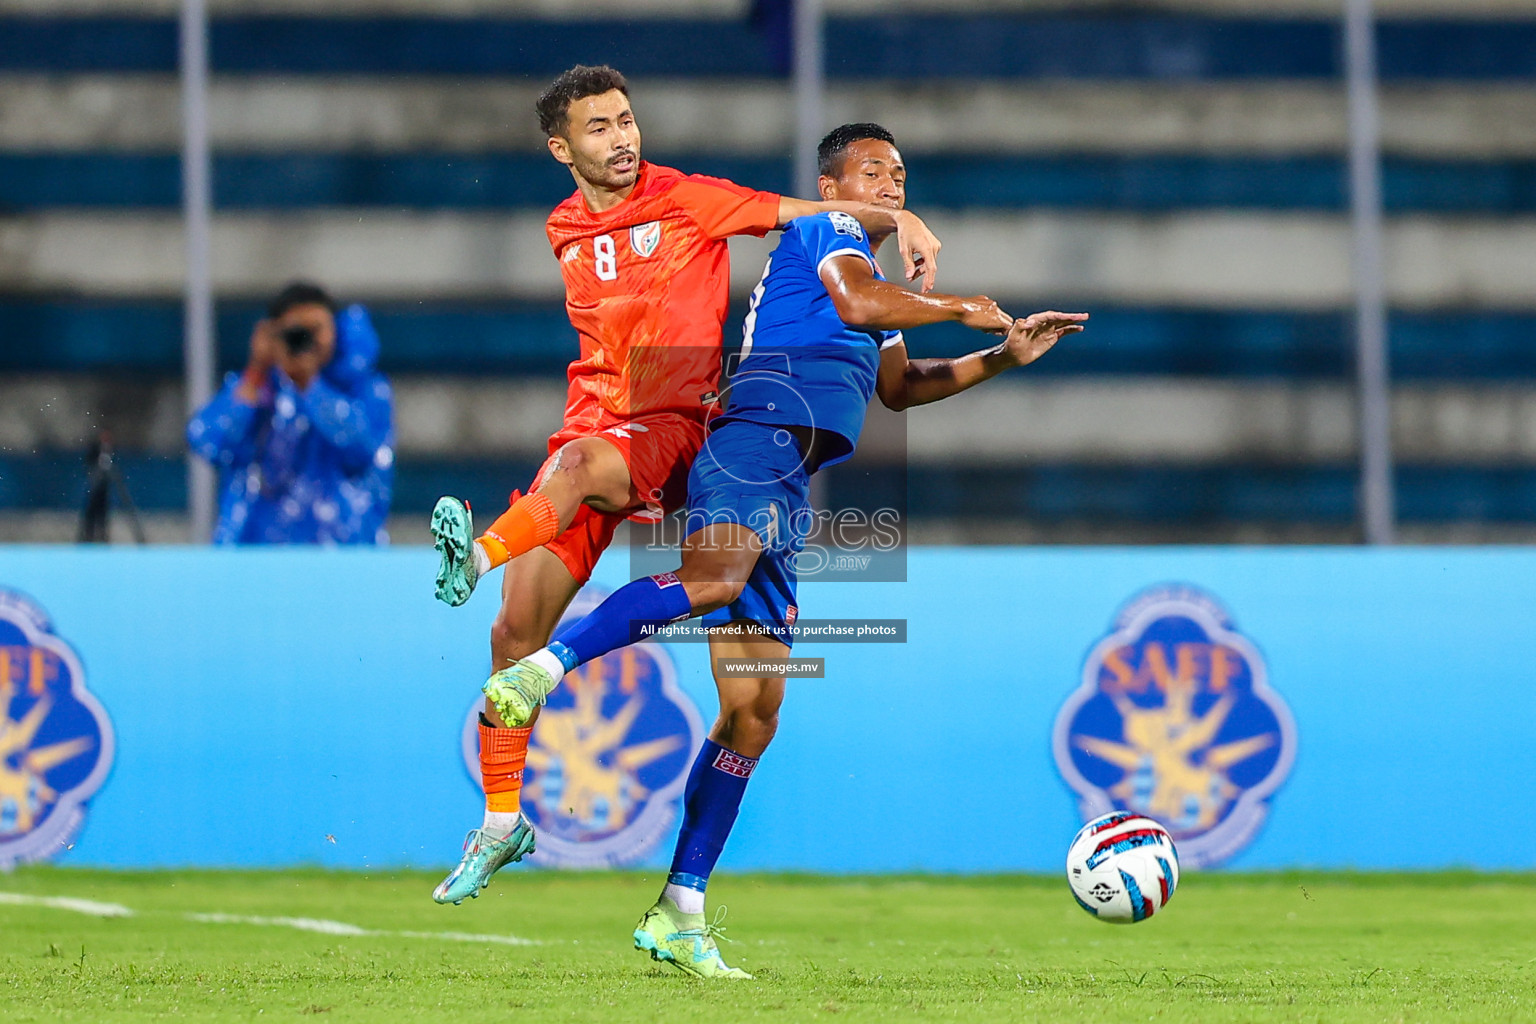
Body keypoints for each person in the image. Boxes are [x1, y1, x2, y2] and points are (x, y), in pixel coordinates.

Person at [483, 123, 1087, 978]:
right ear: (831, 185)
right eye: (871, 169)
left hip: (788, 477)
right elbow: (855, 305)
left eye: (901, 172)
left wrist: (1003, 356)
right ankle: (542, 669)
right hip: (754, 437)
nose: (891, 182)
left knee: (757, 708)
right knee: (711, 578)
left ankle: (679, 910)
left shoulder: (875, 282)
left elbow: (901, 389)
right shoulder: (827, 237)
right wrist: (959, 306)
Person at [427, 66, 944, 907]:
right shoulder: (562, 224)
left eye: (627, 120)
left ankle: (477, 552)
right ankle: (500, 826)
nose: (622, 137)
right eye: (599, 128)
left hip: (678, 427)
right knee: (510, 639)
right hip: (600, 434)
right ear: (561, 148)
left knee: (610, 494)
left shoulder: (692, 198)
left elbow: (809, 219)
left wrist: (903, 218)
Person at [186, 282, 393, 545]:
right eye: (296, 331)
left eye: (316, 329)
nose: (306, 341)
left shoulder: (365, 390)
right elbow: (206, 440)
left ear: (337, 331)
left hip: (341, 556)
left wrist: (310, 386)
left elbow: (363, 448)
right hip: (258, 554)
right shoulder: (257, 388)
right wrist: (255, 372)